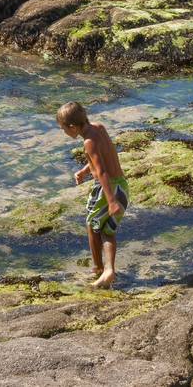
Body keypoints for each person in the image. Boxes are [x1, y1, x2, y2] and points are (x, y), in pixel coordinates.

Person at [57, 102, 127, 290]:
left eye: (63, 129)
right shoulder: (98, 127)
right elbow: (102, 157)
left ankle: (100, 269)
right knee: (106, 229)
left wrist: (111, 200)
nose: (63, 132)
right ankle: (107, 270)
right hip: (121, 184)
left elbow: (102, 171)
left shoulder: (88, 141)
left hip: (107, 189)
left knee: (93, 226)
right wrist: (84, 171)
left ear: (72, 127)